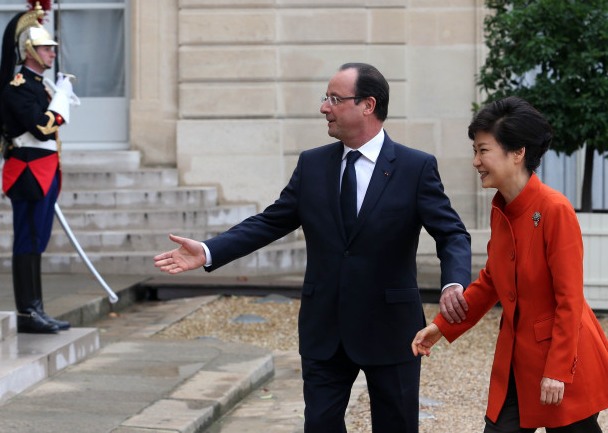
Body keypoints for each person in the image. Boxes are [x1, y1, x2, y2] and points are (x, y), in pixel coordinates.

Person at [155, 63, 471, 432]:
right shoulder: (312, 164)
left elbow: (452, 233)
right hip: (325, 329)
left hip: (391, 329)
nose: (324, 107)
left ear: (368, 105)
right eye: (326, 98)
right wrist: (210, 251)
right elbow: (271, 222)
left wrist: (454, 282)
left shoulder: (415, 167)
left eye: (335, 99)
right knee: (319, 425)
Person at [412, 96, 608, 432]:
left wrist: (558, 371)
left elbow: (570, 300)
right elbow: (492, 281)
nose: (475, 161)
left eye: (483, 150)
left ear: (517, 153)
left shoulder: (554, 209)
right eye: (475, 150)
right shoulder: (501, 208)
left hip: (565, 361)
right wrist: (442, 326)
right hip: (517, 361)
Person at [0, 0, 75, 334]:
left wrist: (55, 97)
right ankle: (27, 313)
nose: (52, 53)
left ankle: (37, 308)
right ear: (30, 51)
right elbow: (42, 129)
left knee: (37, 241)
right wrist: (61, 106)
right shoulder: (19, 87)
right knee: (27, 241)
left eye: (52, 49)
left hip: (44, 171)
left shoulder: (39, 86)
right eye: (46, 49)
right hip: (28, 172)